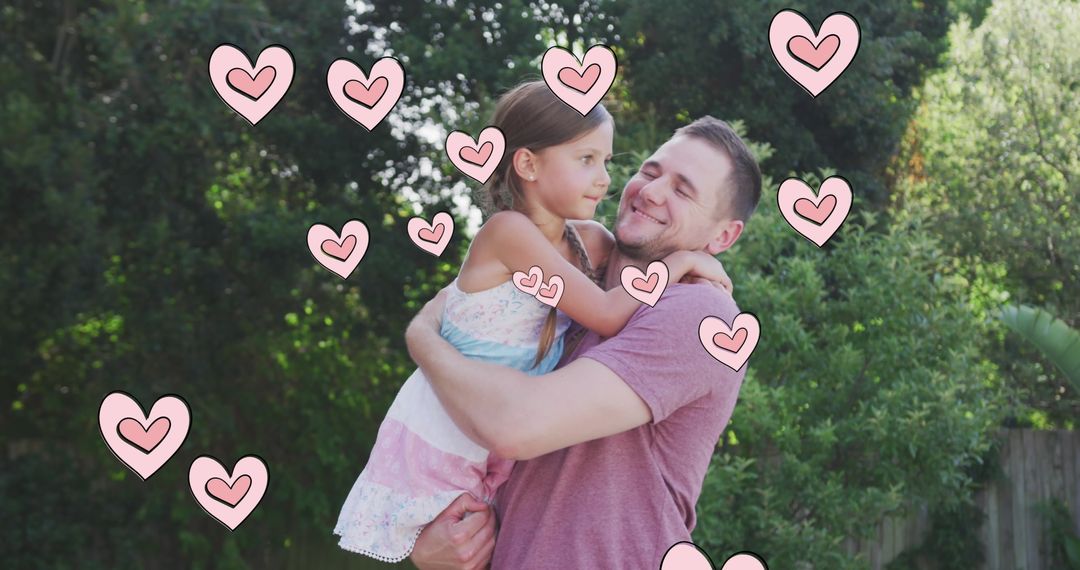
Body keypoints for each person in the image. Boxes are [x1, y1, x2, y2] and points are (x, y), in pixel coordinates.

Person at [332, 81, 732, 563]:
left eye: (683, 190)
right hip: (462, 462)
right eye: (648, 171)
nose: (642, 189)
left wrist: (421, 337)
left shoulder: (697, 313)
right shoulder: (535, 243)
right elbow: (450, 305)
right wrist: (434, 550)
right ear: (528, 164)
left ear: (724, 235)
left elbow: (514, 426)